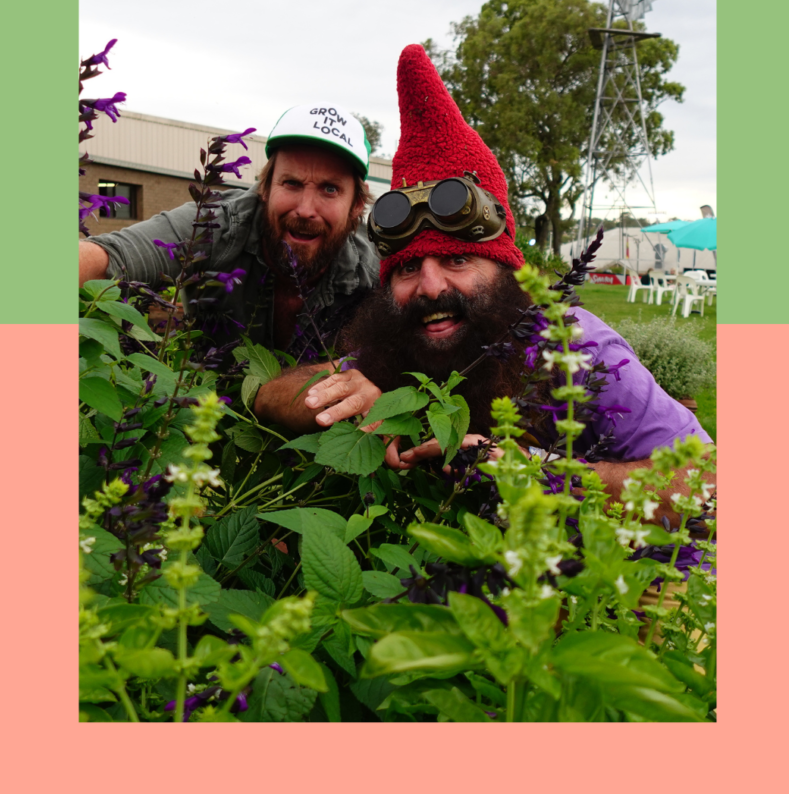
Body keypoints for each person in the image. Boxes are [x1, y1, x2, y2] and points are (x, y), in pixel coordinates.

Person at [255, 46, 714, 530]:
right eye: (408, 270)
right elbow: (269, 396)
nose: (430, 288)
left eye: (457, 260)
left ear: (504, 272)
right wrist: (351, 389)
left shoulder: (576, 348)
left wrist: (537, 475)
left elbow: (714, 480)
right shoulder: (401, 349)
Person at [79, 104, 379, 357]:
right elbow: (110, 256)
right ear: (264, 187)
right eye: (292, 183)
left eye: (330, 189)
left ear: (356, 204)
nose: (305, 209)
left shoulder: (373, 272)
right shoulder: (212, 223)